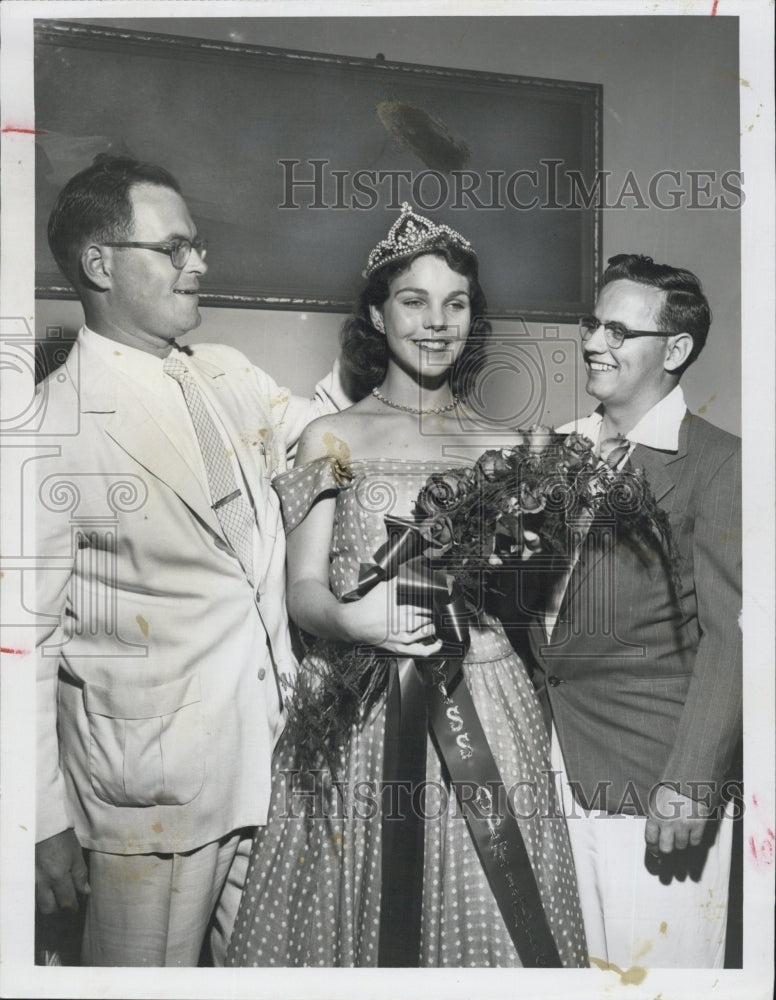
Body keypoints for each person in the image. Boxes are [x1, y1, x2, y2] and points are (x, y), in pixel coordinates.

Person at [226, 204, 587, 968]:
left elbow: (525, 607)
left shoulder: (507, 445)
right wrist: (356, 624)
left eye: (455, 303)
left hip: (484, 703)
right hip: (357, 708)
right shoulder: (331, 438)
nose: (436, 322)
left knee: (492, 913)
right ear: (375, 313)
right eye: (413, 301)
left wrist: (519, 559)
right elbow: (302, 592)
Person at [33, 156, 349, 966]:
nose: (199, 263)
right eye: (174, 248)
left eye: (198, 244)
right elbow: (19, 647)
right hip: (149, 793)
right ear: (100, 264)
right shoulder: (47, 430)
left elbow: (340, 439)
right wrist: (38, 817)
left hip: (274, 756)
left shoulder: (231, 375)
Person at [524, 253, 742, 968]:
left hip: (651, 783)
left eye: (619, 331)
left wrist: (690, 782)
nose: (593, 342)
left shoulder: (717, 464)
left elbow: (729, 639)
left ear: (673, 350)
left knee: (652, 978)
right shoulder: (553, 452)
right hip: (548, 773)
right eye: (593, 323)